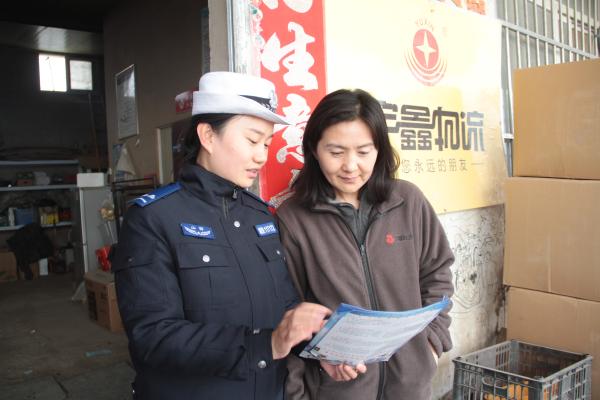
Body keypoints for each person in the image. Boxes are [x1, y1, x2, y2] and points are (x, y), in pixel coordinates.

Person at [111, 71, 332, 400]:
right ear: (208, 136)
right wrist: (266, 344)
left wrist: (320, 347)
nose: (261, 155)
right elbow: (153, 337)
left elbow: (283, 306)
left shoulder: (260, 216)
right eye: (252, 140)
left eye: (267, 143)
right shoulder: (153, 219)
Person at [276, 89, 455, 400]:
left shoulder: (408, 201)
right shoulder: (293, 219)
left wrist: (431, 343)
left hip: (410, 388)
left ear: (379, 150)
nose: (350, 166)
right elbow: (286, 311)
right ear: (314, 150)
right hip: (336, 390)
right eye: (336, 152)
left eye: (363, 151)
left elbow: (437, 273)